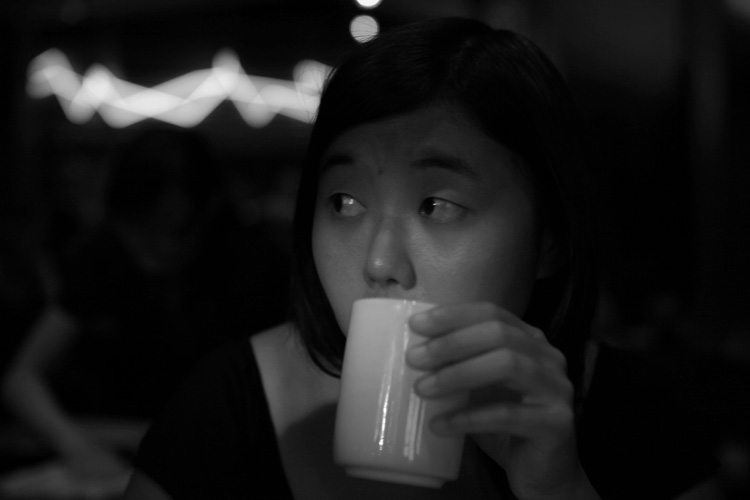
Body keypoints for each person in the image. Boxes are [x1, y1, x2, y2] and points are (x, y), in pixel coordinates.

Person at [123, 18, 720, 500]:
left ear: (550, 240)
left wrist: (559, 489)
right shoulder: (229, 410)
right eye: (345, 203)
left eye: (436, 205)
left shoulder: (639, 416)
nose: (379, 262)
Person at [0, 127, 288, 497]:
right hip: (114, 451)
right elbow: (21, 378)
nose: (155, 251)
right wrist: (75, 444)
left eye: (174, 232)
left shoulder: (254, 265)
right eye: (142, 232)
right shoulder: (102, 257)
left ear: (209, 210)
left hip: (218, 463)